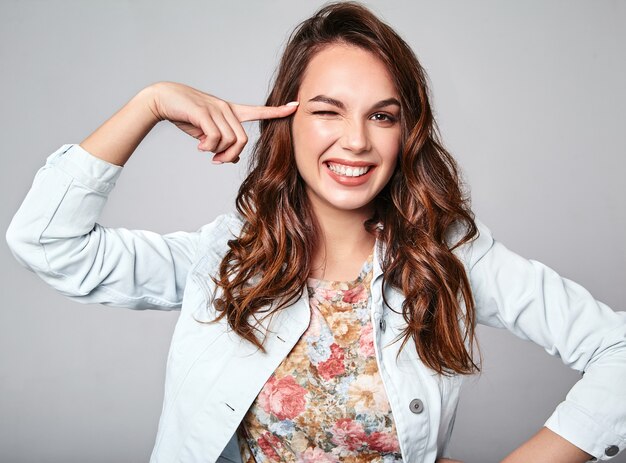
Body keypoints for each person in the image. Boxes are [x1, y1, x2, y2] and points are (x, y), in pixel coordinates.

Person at [5, 2, 625, 462]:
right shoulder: (227, 260)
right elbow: (50, 244)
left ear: (405, 133)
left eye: (382, 116)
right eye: (327, 111)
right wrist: (149, 104)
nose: (355, 140)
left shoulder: (449, 254)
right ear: (287, 119)